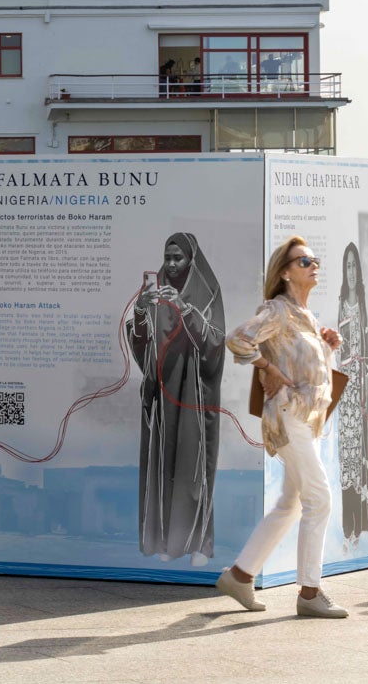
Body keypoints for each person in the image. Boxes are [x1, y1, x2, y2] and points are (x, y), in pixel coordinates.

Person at [217, 236, 349, 619]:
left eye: (314, 259)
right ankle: (310, 593)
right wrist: (268, 370)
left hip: (308, 419)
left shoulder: (305, 315)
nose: (313, 265)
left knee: (290, 504)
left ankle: (240, 576)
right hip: (289, 417)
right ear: (286, 272)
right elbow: (238, 339)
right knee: (319, 498)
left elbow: (305, 365)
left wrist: (328, 346)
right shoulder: (277, 310)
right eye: (304, 261)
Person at [126, 233, 225, 566]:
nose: (170, 265)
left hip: (195, 397)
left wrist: (186, 309)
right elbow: (143, 349)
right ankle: (166, 542)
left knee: (195, 468)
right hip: (164, 395)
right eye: (167, 258)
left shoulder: (208, 294)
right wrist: (141, 311)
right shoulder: (156, 295)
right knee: (163, 467)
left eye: (177, 258)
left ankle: (200, 544)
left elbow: (215, 345)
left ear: (191, 260)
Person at [336, 242, 368, 548]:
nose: (351, 272)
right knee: (345, 460)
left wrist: (364, 387)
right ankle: (347, 526)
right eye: (347, 266)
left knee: (359, 457)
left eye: (354, 266)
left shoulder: (362, 304)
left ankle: (361, 525)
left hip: (360, 392)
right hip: (344, 394)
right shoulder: (341, 303)